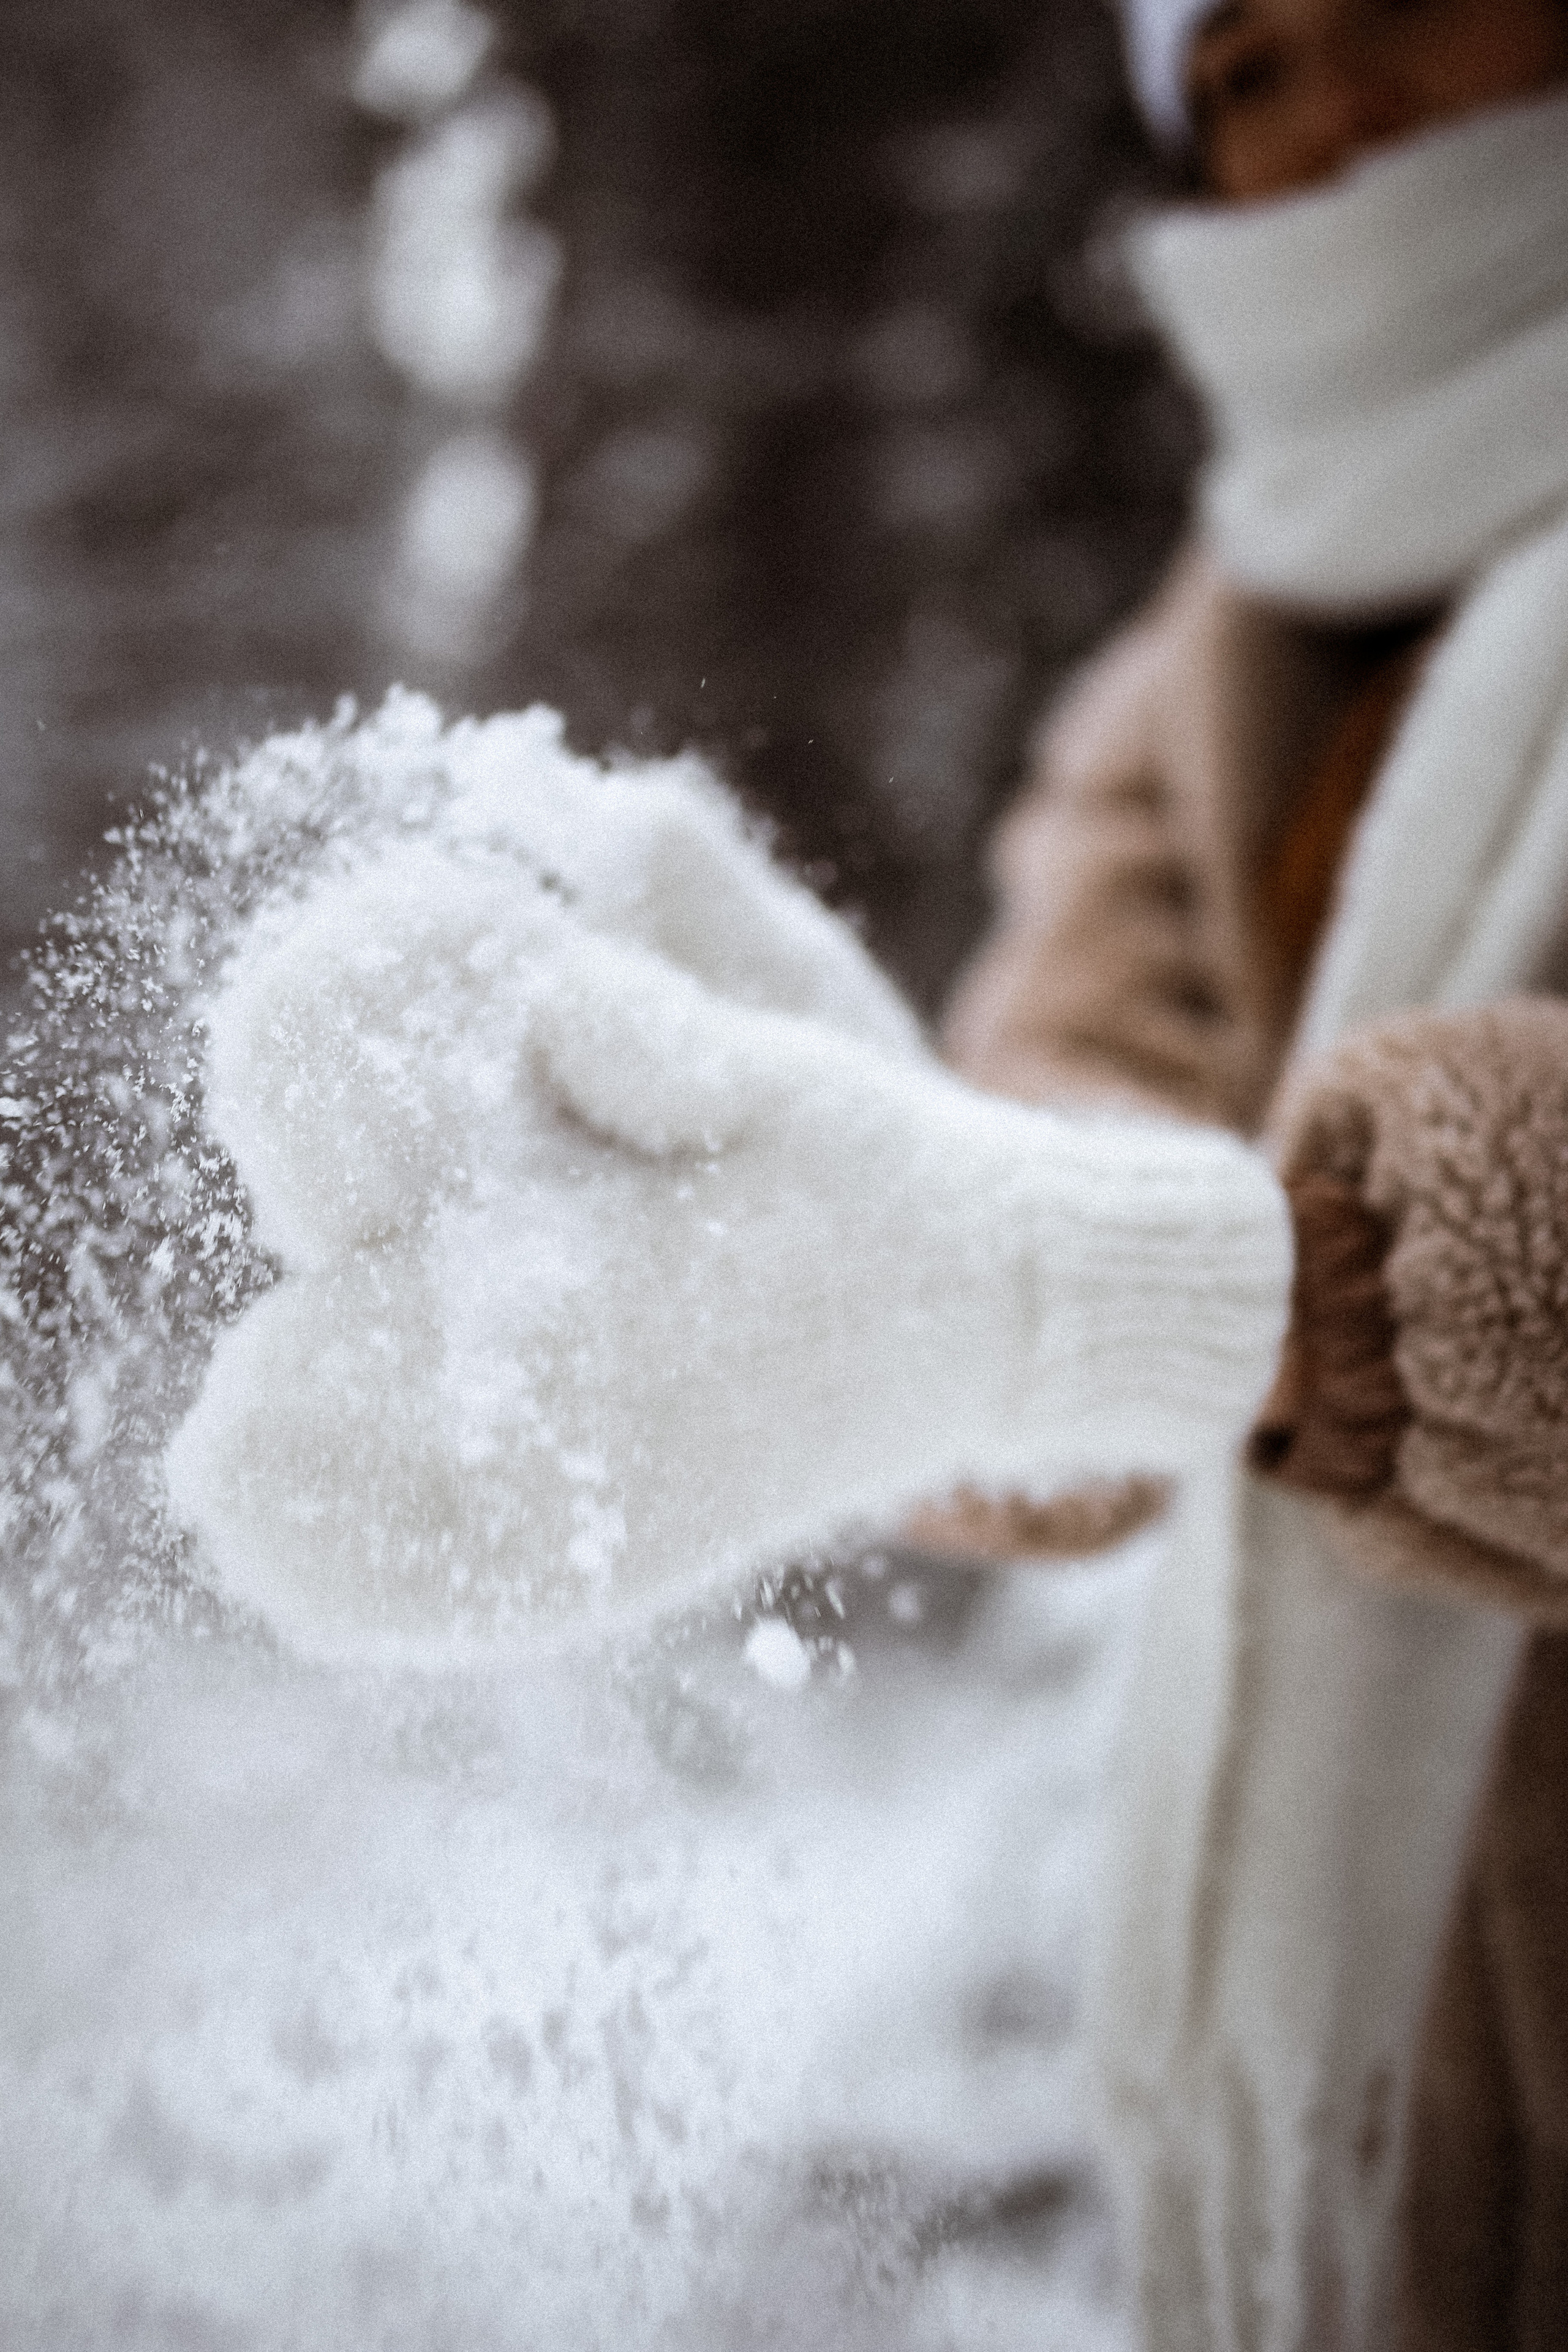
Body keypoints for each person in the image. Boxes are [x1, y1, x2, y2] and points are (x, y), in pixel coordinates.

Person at [925, 4, 1568, 2345]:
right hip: (1411, 2120)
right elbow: (1067, 1071)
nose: (1340, 107)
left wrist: (1332, 1292)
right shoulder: (1222, 637)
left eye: (1409, 0)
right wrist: (911, 1264)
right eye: (1253, 67)